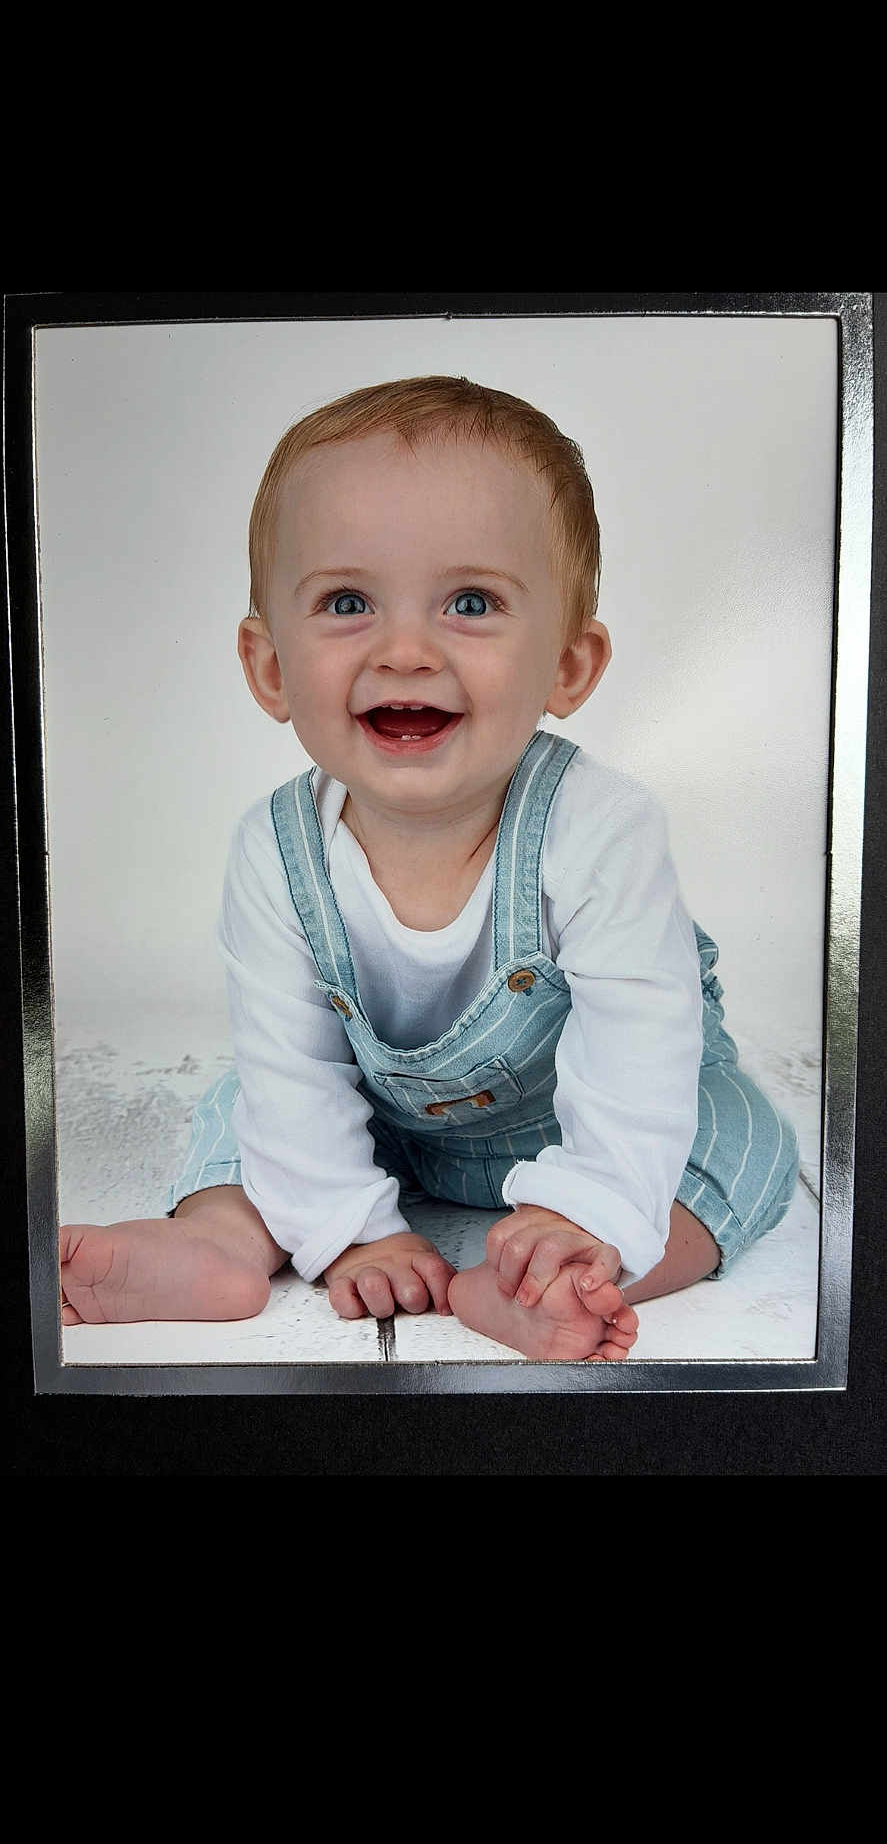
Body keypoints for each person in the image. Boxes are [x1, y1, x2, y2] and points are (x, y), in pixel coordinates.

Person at [59, 376, 801, 1360]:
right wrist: (352, 1232)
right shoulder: (273, 853)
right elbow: (296, 1071)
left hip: (599, 1117)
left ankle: (546, 1282)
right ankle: (216, 1242)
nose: (404, 650)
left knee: (727, 1150)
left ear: (568, 667)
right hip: (387, 1125)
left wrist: (585, 1208)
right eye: (347, 601)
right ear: (270, 668)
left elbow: (637, 1055)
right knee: (251, 1103)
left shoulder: (598, 826)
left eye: (469, 602)